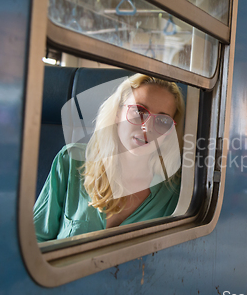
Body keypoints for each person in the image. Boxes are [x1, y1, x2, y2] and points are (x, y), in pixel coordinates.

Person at [33, 74, 185, 242]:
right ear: (118, 113)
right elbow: (36, 240)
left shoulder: (176, 190)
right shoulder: (71, 160)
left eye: (163, 120)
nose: (146, 127)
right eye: (139, 111)